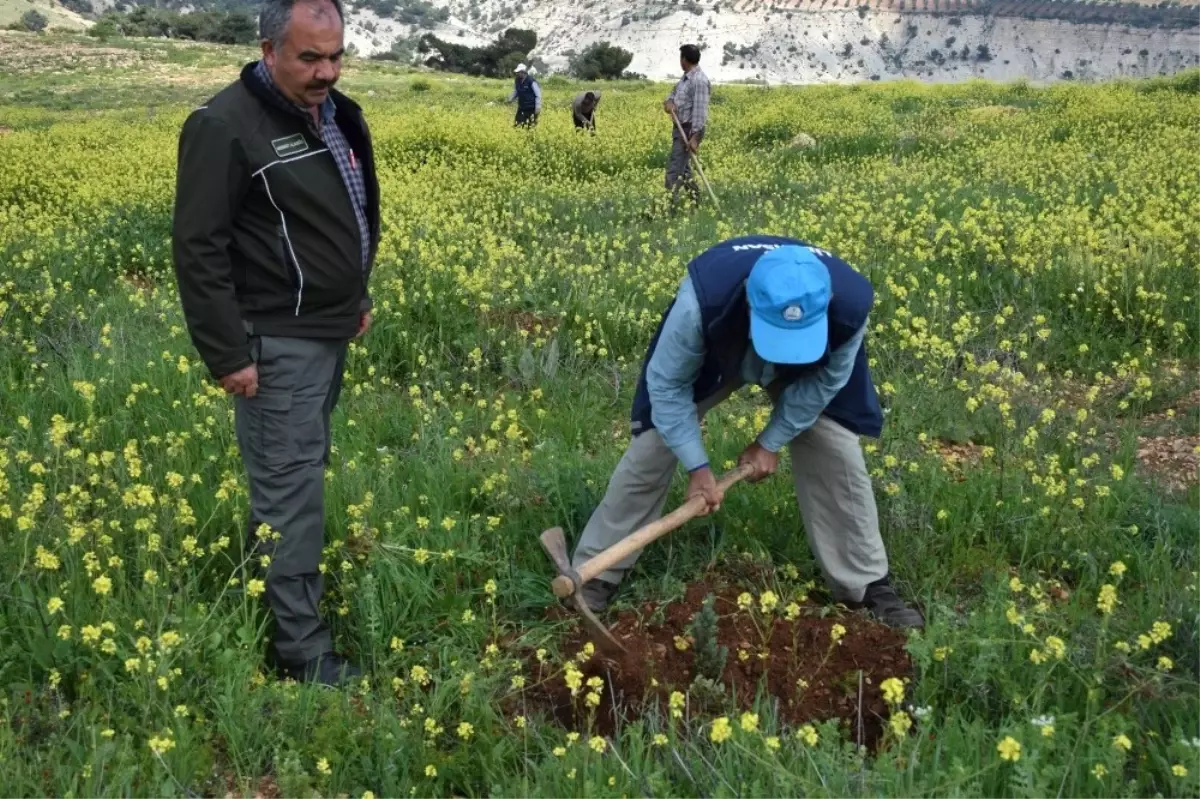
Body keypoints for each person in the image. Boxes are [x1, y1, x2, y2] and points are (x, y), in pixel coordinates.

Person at [171, 0, 379, 687]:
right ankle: (301, 652)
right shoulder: (224, 125)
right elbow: (198, 248)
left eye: (335, 55)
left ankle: (279, 597)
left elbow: (344, 213)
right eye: (309, 58)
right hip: (277, 341)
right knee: (291, 494)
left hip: (325, 328)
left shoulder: (335, 113)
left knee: (296, 478)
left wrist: (354, 296)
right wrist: (227, 353)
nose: (327, 71)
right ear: (268, 50)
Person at [569, 235, 925, 630]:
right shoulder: (701, 305)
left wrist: (769, 442)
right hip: (726, 343)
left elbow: (823, 386)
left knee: (834, 442)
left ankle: (867, 585)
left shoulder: (849, 309)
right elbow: (668, 389)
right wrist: (698, 468)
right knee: (654, 442)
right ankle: (596, 570)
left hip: (809, 362)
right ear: (751, 307)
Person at [662, 44, 711, 205]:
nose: (680, 61)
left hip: (688, 132)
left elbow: (700, 112)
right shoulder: (685, 78)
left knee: (674, 170)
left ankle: (668, 207)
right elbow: (673, 94)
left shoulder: (699, 81)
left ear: (684, 59)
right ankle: (696, 201)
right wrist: (670, 103)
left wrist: (696, 138)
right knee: (685, 171)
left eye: (680, 57)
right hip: (679, 129)